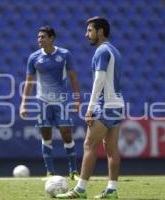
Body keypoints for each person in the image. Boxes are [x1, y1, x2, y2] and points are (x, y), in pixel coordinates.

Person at [56, 16, 125, 199]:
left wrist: (91, 107)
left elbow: (99, 80)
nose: (86, 34)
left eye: (89, 30)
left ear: (100, 31)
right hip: (118, 104)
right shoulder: (115, 51)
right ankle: (111, 190)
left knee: (89, 144)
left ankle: (80, 189)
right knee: (111, 149)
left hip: (105, 105)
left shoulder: (101, 51)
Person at [20, 26, 81, 180]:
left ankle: (73, 171)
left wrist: (77, 98)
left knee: (66, 134)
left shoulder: (65, 55)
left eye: (43, 37)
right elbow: (29, 82)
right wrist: (23, 103)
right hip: (42, 102)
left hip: (61, 102)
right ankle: (49, 172)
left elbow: (73, 78)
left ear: (52, 38)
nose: (39, 40)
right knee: (46, 135)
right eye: (38, 37)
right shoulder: (34, 58)